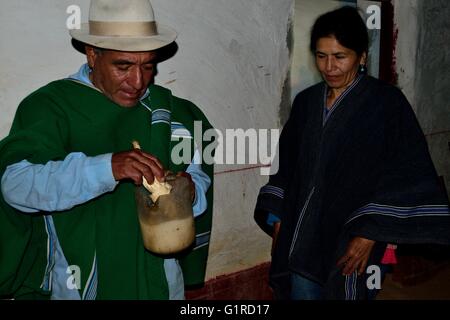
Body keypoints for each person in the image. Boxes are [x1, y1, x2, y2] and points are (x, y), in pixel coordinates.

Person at [0, 0, 214, 300]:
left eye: (148, 66)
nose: (138, 81)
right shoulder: (50, 108)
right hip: (79, 285)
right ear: (92, 54)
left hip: (161, 285)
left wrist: (188, 193)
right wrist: (107, 168)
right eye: (123, 66)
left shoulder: (170, 113)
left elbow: (198, 182)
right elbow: (16, 185)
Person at [254, 6, 450, 300]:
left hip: (358, 235)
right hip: (305, 235)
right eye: (321, 56)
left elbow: (407, 173)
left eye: (340, 56)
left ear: (362, 57)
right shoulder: (306, 103)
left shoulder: (386, 104)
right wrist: (280, 220)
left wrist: (371, 233)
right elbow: (287, 165)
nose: (329, 67)